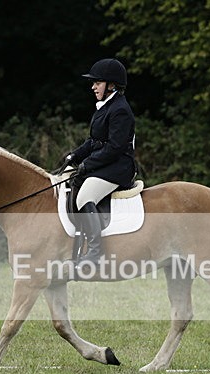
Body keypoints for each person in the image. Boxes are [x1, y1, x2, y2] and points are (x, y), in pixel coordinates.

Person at [66, 58, 136, 272]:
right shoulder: (105, 107)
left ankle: (95, 252)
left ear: (111, 85)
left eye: (98, 82)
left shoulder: (120, 110)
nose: (93, 86)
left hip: (119, 166)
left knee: (85, 195)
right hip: (107, 163)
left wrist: (88, 163)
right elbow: (94, 141)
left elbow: (114, 147)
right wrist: (74, 157)